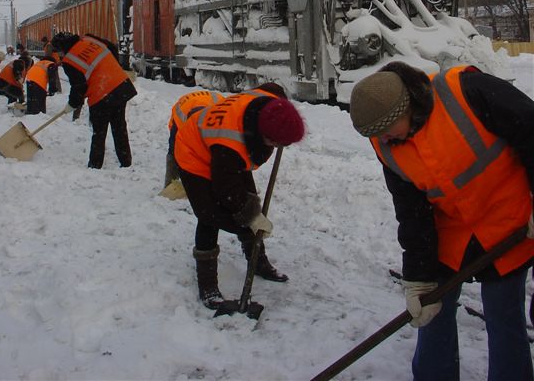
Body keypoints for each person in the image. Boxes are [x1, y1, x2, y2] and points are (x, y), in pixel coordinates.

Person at [349, 61, 534, 381]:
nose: (384, 139)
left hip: (508, 221)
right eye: (376, 135)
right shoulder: (386, 142)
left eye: (387, 130)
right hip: (453, 232)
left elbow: (531, 127)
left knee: (503, 311)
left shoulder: (466, 92)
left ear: (405, 107)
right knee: (433, 307)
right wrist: (419, 277)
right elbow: (412, 214)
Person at [173, 85, 305, 309]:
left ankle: (258, 263)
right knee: (210, 216)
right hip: (192, 151)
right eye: (277, 144)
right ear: (264, 136)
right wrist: (250, 218)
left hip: (225, 145)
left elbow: (274, 88)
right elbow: (228, 193)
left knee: (249, 201)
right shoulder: (230, 146)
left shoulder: (269, 100)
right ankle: (208, 286)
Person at [51, 32, 137, 169]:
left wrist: (72, 104)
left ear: (62, 48)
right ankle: (126, 161)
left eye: (58, 52)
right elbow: (113, 48)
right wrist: (111, 68)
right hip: (120, 85)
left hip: (101, 93)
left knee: (99, 131)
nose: (59, 56)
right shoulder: (89, 39)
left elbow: (78, 87)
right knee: (119, 126)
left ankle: (95, 166)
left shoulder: (69, 60)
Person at [164, 89, 226, 189]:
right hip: (187, 106)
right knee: (174, 150)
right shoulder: (180, 120)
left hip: (212, 105)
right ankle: (170, 185)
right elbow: (175, 150)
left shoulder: (221, 117)